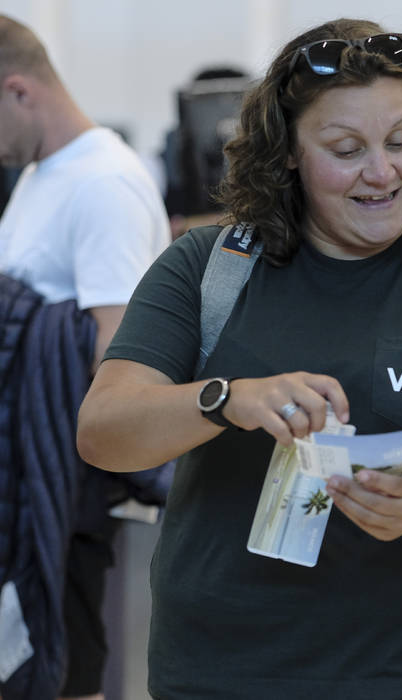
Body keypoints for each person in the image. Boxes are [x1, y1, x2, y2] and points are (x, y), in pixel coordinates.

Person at [76, 18, 402, 699]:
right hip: (220, 677)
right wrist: (225, 398)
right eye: (346, 148)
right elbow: (104, 431)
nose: (382, 172)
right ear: (289, 153)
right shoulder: (208, 269)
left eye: (399, 141)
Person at [0, 15, 170, 700]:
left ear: (18, 91)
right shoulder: (44, 176)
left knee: (69, 677)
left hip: (62, 492)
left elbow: (122, 354)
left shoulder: (105, 185)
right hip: (26, 486)